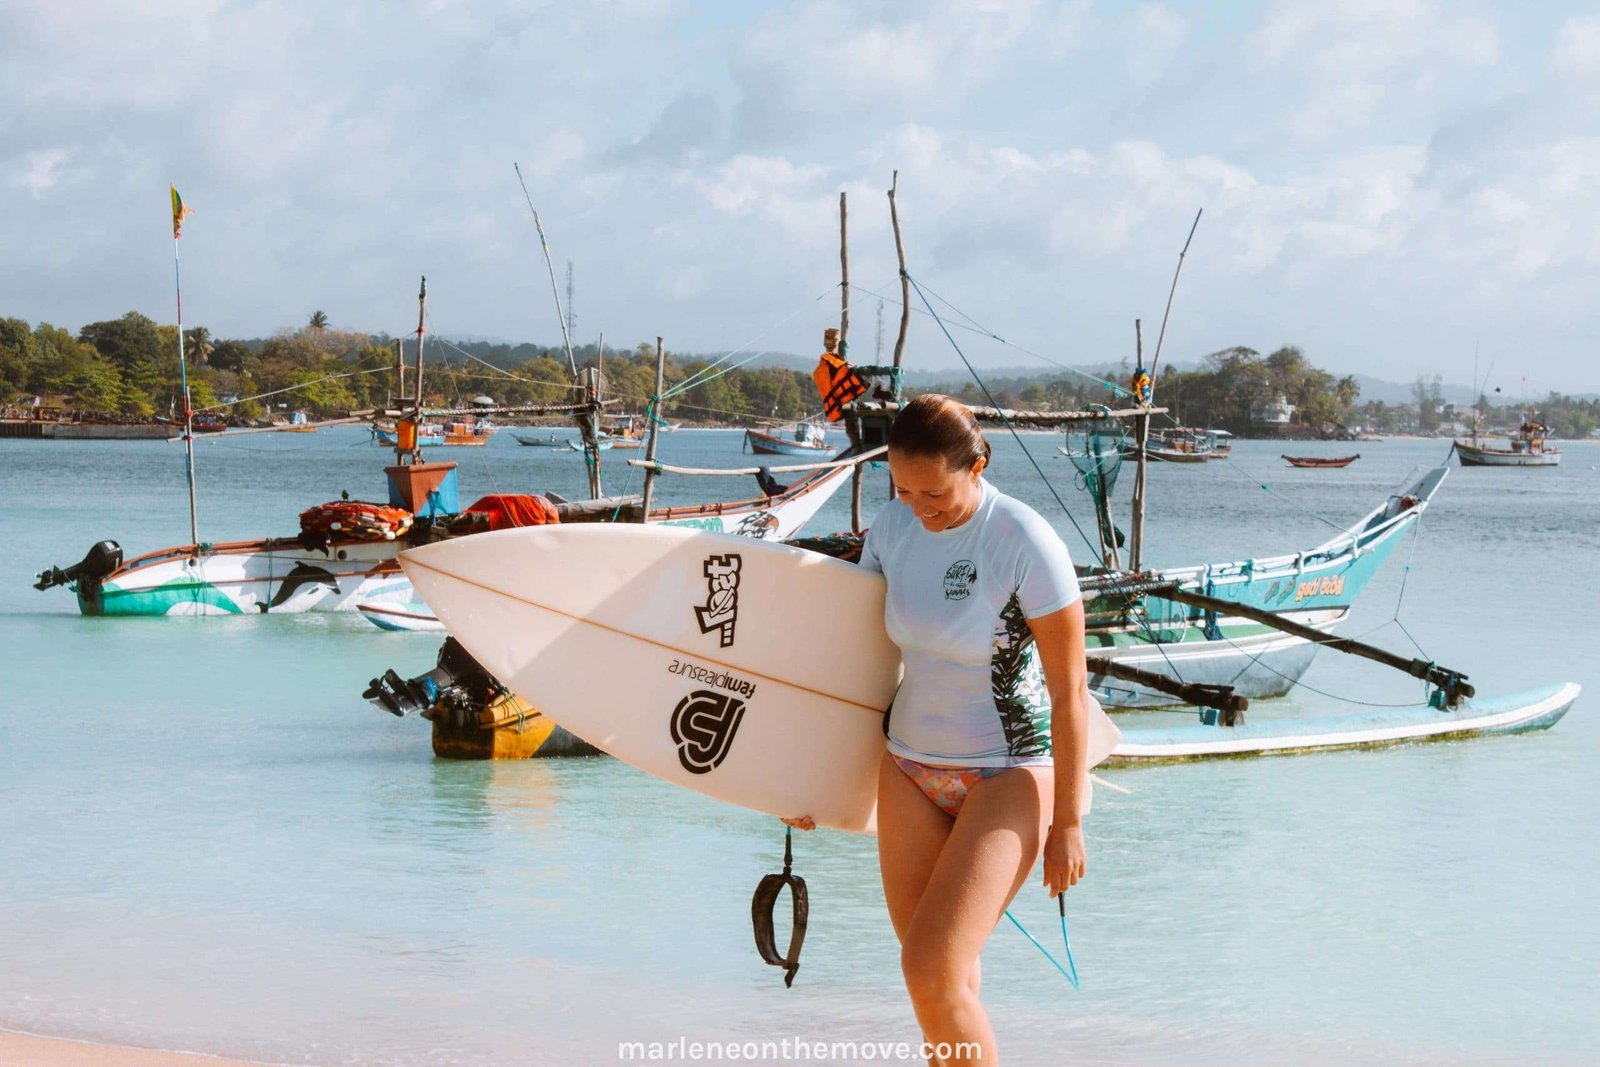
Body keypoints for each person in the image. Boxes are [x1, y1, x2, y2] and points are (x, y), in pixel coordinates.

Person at [793, 394, 1109, 1065]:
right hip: (908, 767)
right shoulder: (893, 527)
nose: (919, 508)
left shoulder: (1023, 540)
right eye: (904, 490)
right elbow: (854, 663)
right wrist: (806, 780)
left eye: (934, 492)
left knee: (930, 968)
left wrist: (1068, 821)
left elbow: (1071, 691)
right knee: (942, 980)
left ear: (977, 466)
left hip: (1009, 770)